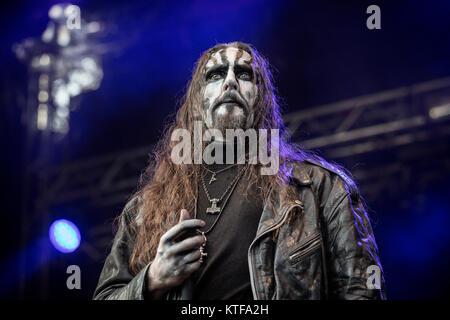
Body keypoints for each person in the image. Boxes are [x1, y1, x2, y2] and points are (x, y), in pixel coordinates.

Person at [93, 41, 386, 300]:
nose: (230, 82)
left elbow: (361, 291)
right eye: (216, 74)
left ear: (262, 99)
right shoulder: (145, 208)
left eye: (245, 74)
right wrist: (154, 278)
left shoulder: (319, 189)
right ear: (197, 99)